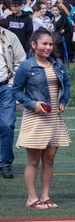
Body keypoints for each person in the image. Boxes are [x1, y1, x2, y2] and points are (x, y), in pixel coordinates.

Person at [12, 28, 71, 209]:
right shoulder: (26, 66)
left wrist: (63, 101)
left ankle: (45, 196)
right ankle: (32, 198)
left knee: (49, 159)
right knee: (33, 160)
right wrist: (32, 104)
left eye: (50, 44)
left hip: (54, 117)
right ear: (33, 45)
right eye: (44, 44)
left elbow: (66, 84)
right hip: (36, 118)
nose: (48, 47)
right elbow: (15, 91)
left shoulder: (57, 64)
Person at [0, 23, 26, 179]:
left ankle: (5, 163)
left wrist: (12, 83)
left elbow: (21, 61)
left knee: (7, 124)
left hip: (5, 87)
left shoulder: (9, 36)